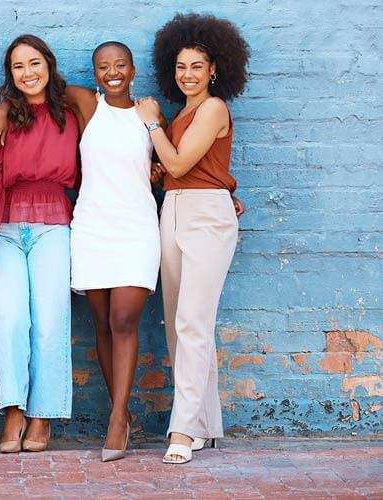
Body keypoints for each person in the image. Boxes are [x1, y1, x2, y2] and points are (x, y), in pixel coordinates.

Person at [0, 41, 164, 462]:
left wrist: (223, 191)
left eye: (120, 65)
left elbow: (169, 165)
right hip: (89, 226)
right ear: (94, 71)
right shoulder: (86, 101)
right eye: (103, 66)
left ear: (133, 69)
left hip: (134, 226)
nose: (112, 72)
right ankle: (100, 414)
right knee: (101, 322)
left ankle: (118, 417)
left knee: (121, 319)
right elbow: (34, 89)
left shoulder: (151, 113)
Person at [134, 12, 250, 464]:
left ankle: (181, 431)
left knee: (193, 322)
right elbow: (176, 171)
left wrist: (151, 126)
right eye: (181, 67)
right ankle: (205, 424)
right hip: (175, 212)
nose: (188, 75)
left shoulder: (213, 108)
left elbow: (182, 165)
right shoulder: (183, 112)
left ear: (214, 69)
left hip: (205, 216)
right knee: (179, 322)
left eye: (197, 67)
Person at [0, 34, 78, 453]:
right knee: (8, 319)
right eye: (18, 67)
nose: (28, 73)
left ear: (48, 65)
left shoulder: (71, 112)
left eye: (35, 63)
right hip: (6, 229)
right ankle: (13, 409)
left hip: (54, 225)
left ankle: (42, 416)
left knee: (50, 322)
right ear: (9, 75)